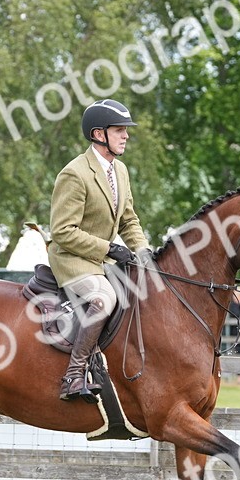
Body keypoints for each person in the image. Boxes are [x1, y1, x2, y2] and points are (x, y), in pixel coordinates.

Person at [48, 98, 153, 402]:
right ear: (98, 134)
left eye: (125, 130)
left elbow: (129, 219)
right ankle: (74, 375)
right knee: (104, 298)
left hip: (103, 259)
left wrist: (143, 251)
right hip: (72, 259)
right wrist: (109, 248)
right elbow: (62, 232)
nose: (126, 135)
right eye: (120, 130)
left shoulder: (119, 171)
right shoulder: (75, 173)